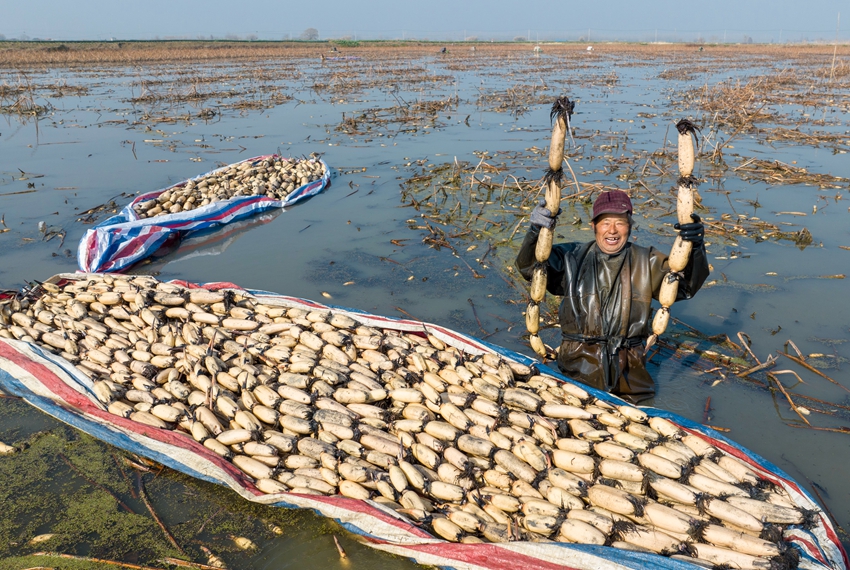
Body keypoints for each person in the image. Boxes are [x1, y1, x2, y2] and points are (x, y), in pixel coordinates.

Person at [516, 190, 709, 403]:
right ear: (594, 226)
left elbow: (685, 287)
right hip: (576, 366)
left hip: (629, 373)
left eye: (620, 223)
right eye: (605, 222)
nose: (612, 231)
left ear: (630, 226)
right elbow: (530, 268)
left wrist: (696, 248)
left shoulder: (648, 261)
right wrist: (535, 231)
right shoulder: (571, 257)